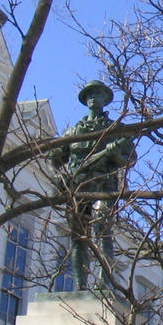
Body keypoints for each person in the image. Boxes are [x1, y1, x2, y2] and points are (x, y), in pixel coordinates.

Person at [50, 80, 134, 290]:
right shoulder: (74, 131)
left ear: (106, 99)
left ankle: (104, 283)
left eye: (97, 93)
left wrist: (115, 154)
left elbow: (130, 159)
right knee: (78, 236)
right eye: (89, 94)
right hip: (78, 188)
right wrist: (60, 176)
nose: (93, 97)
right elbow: (55, 158)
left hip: (105, 186)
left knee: (102, 228)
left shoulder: (117, 130)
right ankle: (79, 286)